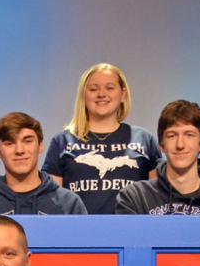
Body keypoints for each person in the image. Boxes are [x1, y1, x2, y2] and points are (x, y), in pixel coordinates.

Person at [42, 63, 161, 215]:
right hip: (77, 234)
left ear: (123, 94)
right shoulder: (63, 140)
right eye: (93, 89)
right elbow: (52, 202)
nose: (101, 94)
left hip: (131, 233)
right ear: (83, 95)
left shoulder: (144, 139)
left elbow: (156, 201)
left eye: (110, 88)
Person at [116, 100, 200, 216]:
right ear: (161, 145)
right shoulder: (135, 198)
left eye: (189, 135)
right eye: (172, 136)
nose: (180, 145)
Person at [0, 112, 87, 216]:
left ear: (40, 145)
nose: (20, 150)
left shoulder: (69, 204)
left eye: (28, 141)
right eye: (9, 143)